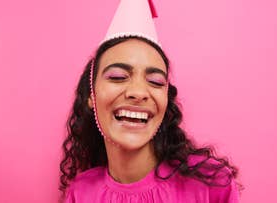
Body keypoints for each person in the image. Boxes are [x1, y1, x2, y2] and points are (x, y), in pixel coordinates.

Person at [60, 0, 241, 202]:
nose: (138, 92)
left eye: (155, 81)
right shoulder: (81, 192)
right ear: (90, 96)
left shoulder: (211, 183)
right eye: (118, 77)